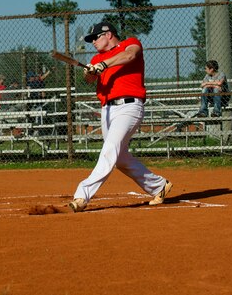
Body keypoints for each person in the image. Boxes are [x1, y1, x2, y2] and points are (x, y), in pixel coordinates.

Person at [68, 22, 173, 212]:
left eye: (95, 37)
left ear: (108, 34)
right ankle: (159, 186)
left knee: (109, 150)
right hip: (107, 110)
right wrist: (90, 72)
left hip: (129, 107)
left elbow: (130, 55)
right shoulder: (96, 58)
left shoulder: (130, 44)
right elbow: (90, 79)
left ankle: (82, 195)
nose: (93, 42)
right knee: (121, 158)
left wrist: (103, 64)